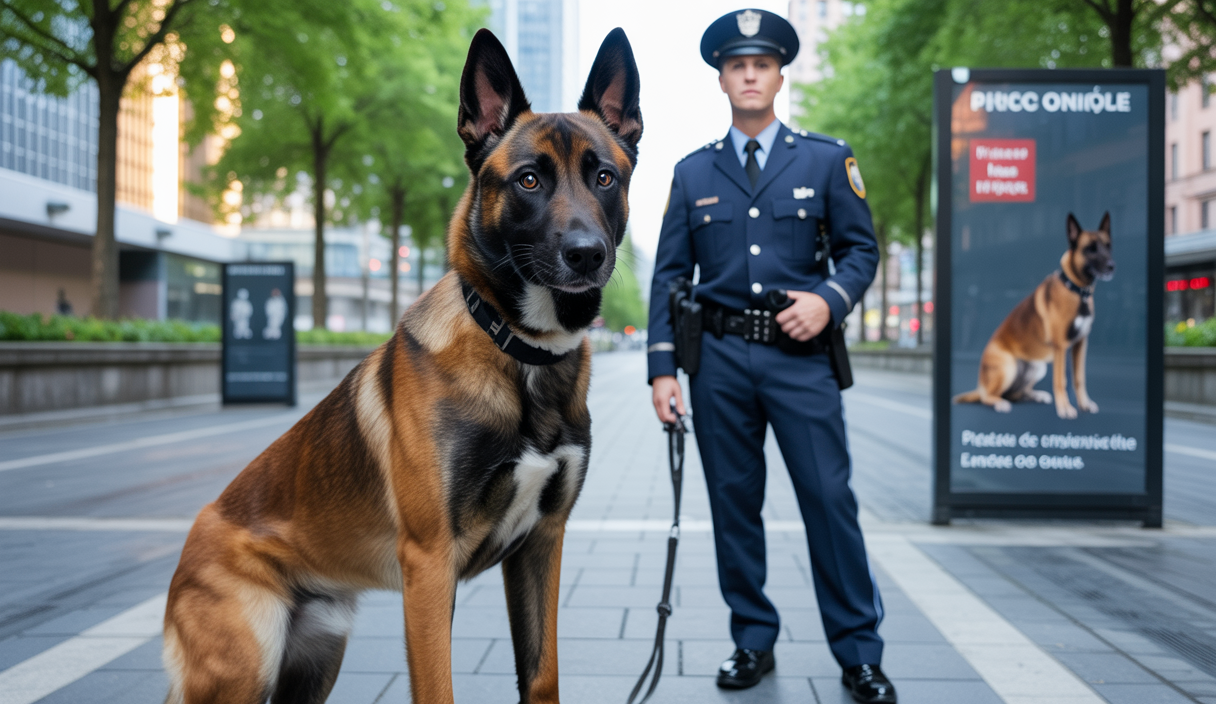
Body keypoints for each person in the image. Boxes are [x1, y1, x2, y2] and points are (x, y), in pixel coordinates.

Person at [646, 9, 894, 703]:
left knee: (828, 501)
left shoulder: (823, 158)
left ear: (780, 75)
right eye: (736, 65)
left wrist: (831, 301)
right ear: (722, 79)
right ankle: (752, 640)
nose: (749, 75)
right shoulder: (693, 172)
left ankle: (859, 653)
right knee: (734, 506)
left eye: (761, 64)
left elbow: (861, 250)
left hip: (801, 357)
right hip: (718, 361)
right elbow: (669, 275)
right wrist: (663, 368)